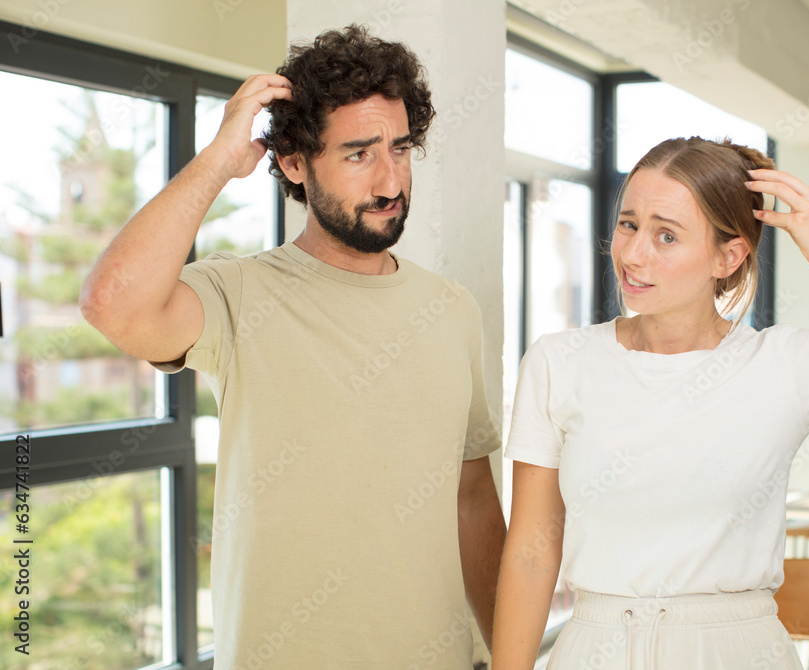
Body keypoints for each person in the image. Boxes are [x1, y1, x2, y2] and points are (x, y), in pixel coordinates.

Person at [81, 25, 505, 669]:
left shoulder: (452, 311)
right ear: (295, 163)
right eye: (359, 154)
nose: (390, 180)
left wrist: (509, 654)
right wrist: (219, 160)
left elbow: (472, 499)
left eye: (400, 147)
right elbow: (112, 302)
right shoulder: (237, 293)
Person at [491, 136, 809, 670]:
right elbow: (531, 551)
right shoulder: (559, 361)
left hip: (737, 651)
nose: (634, 253)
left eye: (666, 235)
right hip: (594, 649)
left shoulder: (785, 364)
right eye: (628, 224)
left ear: (728, 256)